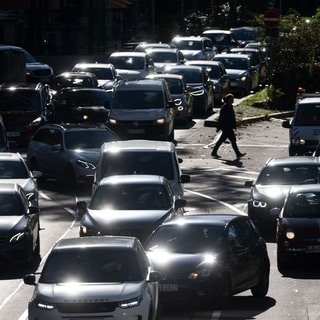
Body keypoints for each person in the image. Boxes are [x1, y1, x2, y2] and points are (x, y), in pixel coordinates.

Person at [211, 93, 246, 159]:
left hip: (229, 127)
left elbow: (232, 118)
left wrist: (234, 125)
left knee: (230, 140)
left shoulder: (229, 106)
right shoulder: (225, 107)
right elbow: (222, 118)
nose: (233, 100)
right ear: (228, 100)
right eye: (232, 99)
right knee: (227, 140)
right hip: (226, 127)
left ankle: (214, 152)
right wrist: (220, 126)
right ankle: (237, 153)